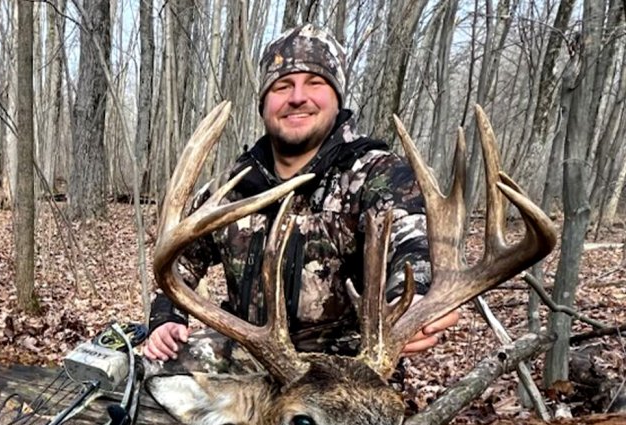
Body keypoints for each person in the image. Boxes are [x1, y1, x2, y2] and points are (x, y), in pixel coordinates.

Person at [143, 23, 459, 362]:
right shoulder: (231, 187)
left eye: (315, 82)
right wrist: (166, 318)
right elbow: (180, 265)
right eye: (282, 86)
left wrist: (411, 300)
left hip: (344, 373)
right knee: (141, 375)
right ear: (264, 104)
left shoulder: (378, 175)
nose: (297, 97)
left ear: (336, 99)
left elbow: (412, 247)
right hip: (247, 361)